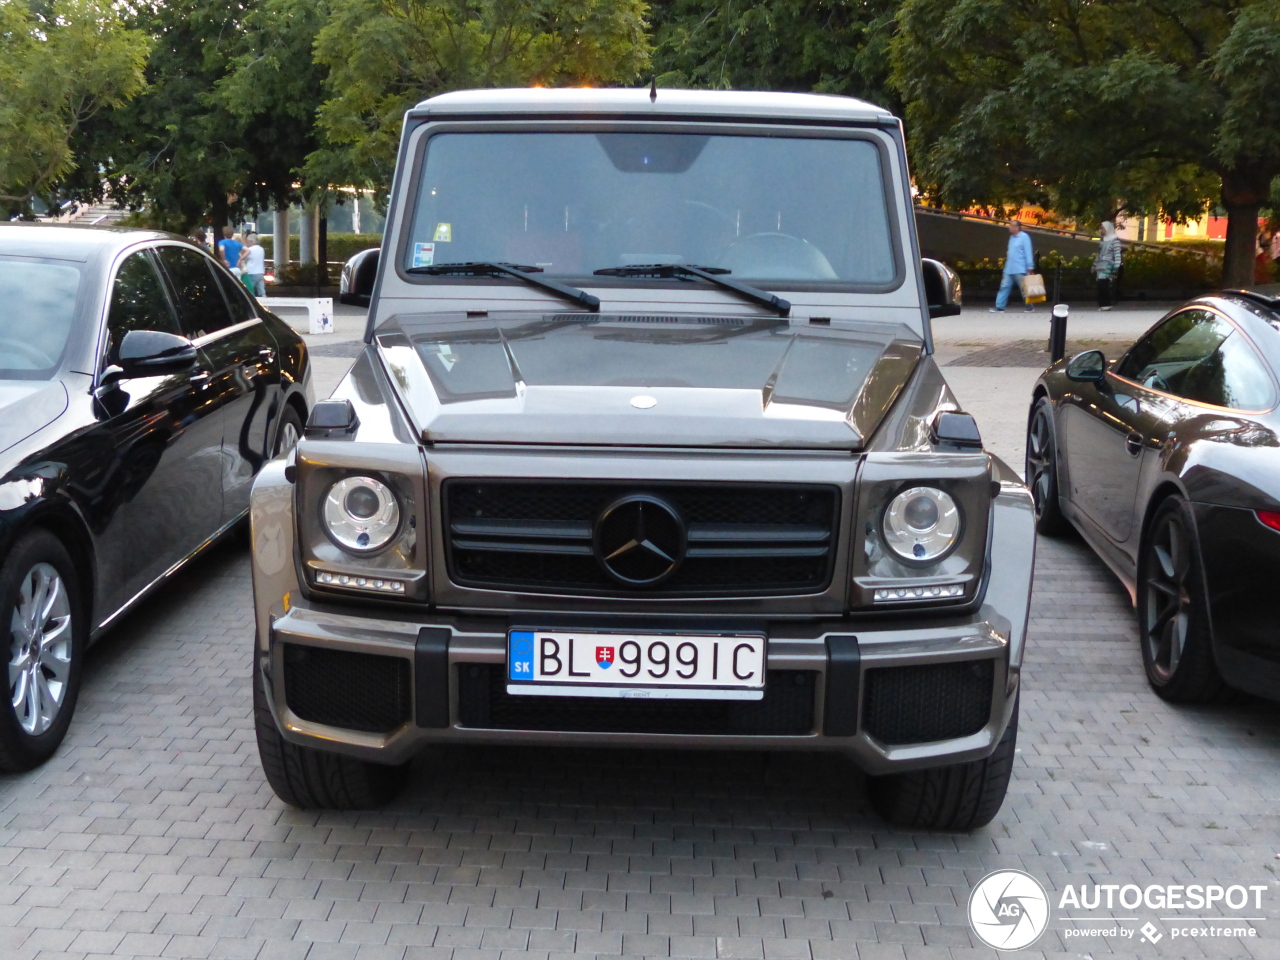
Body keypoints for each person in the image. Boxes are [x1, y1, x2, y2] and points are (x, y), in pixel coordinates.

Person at [989, 220, 1035, 312]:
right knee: (1004, 287)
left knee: (1024, 288)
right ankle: (1000, 306)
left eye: (1012, 226)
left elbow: (1028, 252)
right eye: (1010, 225)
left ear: (1018, 227)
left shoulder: (1024, 237)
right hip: (1009, 268)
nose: (1010, 227)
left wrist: (1030, 266)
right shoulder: (1012, 238)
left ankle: (1029, 306)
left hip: (1020, 268)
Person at [1092, 221, 1122, 311]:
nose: (1101, 230)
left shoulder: (1115, 240)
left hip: (1109, 264)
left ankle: (1106, 304)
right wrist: (1094, 265)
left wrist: (1116, 265)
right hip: (1101, 264)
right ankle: (1102, 304)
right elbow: (1098, 254)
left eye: (1103, 228)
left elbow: (1117, 253)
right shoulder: (1103, 240)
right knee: (1101, 284)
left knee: (1104, 283)